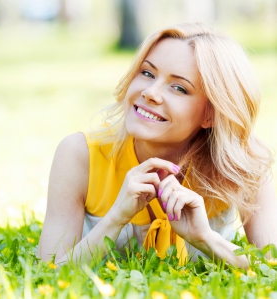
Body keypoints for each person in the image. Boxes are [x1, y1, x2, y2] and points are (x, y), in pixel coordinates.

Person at [36, 22, 277, 268]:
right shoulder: (80, 154)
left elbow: (272, 266)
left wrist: (205, 238)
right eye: (147, 73)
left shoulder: (246, 164)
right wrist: (116, 218)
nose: (150, 92)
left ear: (211, 114)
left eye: (179, 88)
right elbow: (48, 271)